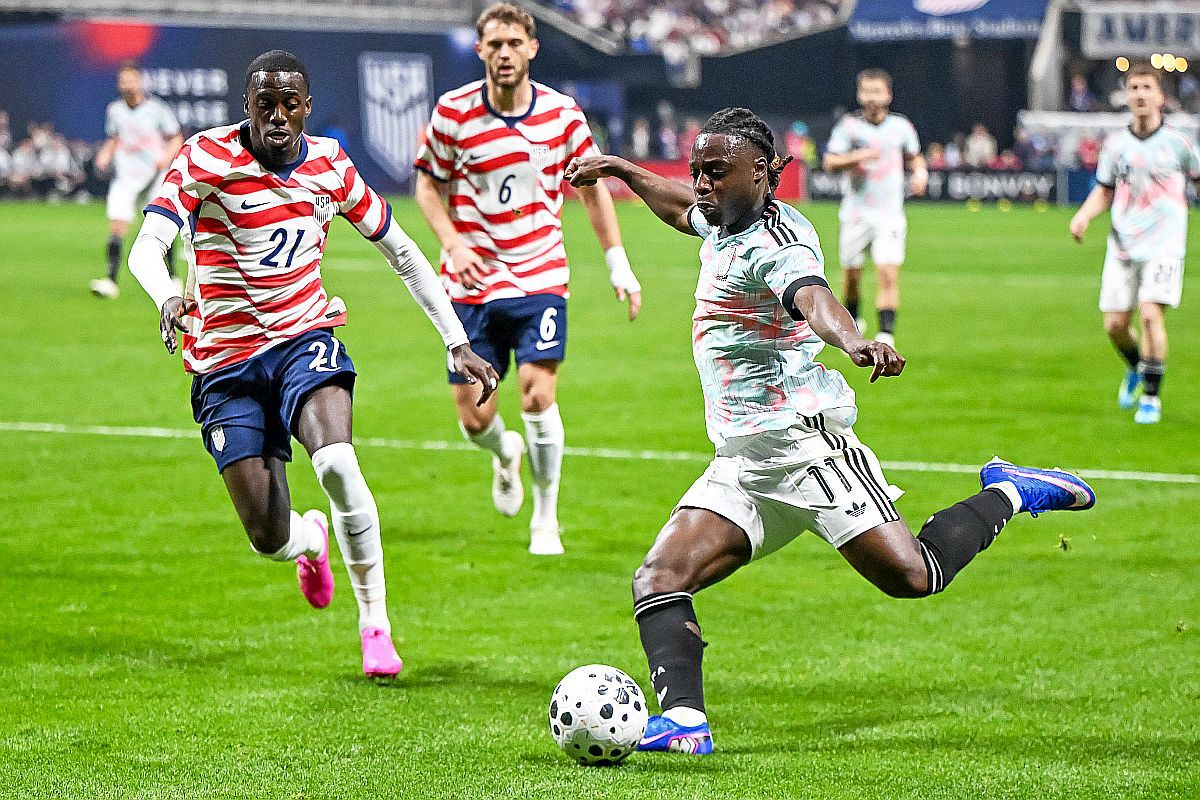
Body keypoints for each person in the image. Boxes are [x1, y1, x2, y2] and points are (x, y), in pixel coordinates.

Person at [566, 107, 1096, 755]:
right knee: (658, 579)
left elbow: (813, 297)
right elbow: (680, 208)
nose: (702, 184)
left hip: (806, 447)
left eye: (716, 172)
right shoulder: (725, 218)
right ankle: (684, 721)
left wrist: (854, 340)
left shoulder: (776, 245)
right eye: (698, 170)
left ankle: (1010, 490)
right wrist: (621, 169)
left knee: (914, 576)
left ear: (763, 173)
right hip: (744, 460)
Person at [126, 50, 498, 676]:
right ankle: (309, 542)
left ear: (306, 108)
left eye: (289, 105)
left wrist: (455, 340)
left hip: (304, 338)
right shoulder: (205, 157)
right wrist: (167, 295)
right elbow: (148, 248)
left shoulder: (330, 164)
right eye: (265, 104)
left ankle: (375, 625)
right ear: (247, 106)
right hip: (223, 362)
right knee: (266, 537)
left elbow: (403, 253)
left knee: (337, 462)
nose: (278, 116)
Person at [413, 2, 642, 556]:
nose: (505, 53)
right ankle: (503, 452)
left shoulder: (562, 115)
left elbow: (593, 188)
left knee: (538, 396)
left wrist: (617, 262)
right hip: (469, 285)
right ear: (480, 50)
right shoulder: (453, 113)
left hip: (540, 274)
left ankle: (546, 518)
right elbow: (426, 185)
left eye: (514, 43)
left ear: (532, 48)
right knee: (474, 418)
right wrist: (453, 242)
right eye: (494, 44)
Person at [1069, 62, 1199, 425]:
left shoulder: (1179, 143)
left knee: (1150, 313)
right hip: (1123, 244)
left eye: (1147, 88)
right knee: (1114, 325)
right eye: (1134, 88)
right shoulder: (1116, 145)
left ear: (1160, 96)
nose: (1140, 94)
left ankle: (1151, 398)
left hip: (1165, 244)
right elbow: (1105, 190)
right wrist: (1083, 216)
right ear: (1126, 96)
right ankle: (1137, 367)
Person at [823, 68, 927, 345]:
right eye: (866, 91)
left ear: (888, 95)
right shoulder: (849, 127)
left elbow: (914, 157)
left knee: (888, 273)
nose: (871, 97)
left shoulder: (901, 127)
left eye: (877, 91)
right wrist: (857, 156)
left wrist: (920, 173)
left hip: (889, 215)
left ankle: (886, 336)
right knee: (851, 278)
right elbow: (830, 162)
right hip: (855, 215)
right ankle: (854, 321)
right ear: (859, 95)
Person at [91, 62, 184, 299]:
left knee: (161, 225)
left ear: (140, 81)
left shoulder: (156, 109)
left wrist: (166, 158)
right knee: (117, 225)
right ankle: (110, 281)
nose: (127, 85)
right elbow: (115, 138)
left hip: (154, 176)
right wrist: (105, 154)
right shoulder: (115, 110)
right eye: (123, 80)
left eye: (131, 80)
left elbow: (175, 138)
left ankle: (173, 276)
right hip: (126, 176)